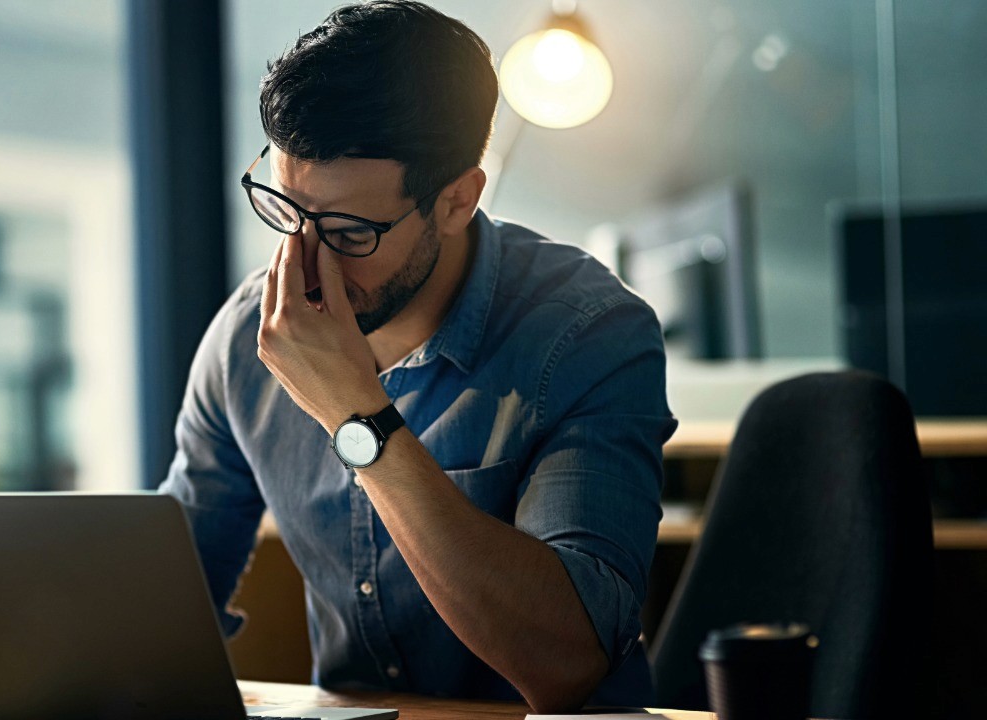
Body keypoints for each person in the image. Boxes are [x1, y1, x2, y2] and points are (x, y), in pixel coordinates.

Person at [159, 1, 676, 712]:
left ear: (457, 200)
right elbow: (164, 599)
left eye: (348, 231)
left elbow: (567, 664)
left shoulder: (587, 333)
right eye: (287, 212)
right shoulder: (250, 336)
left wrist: (355, 416)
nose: (306, 263)